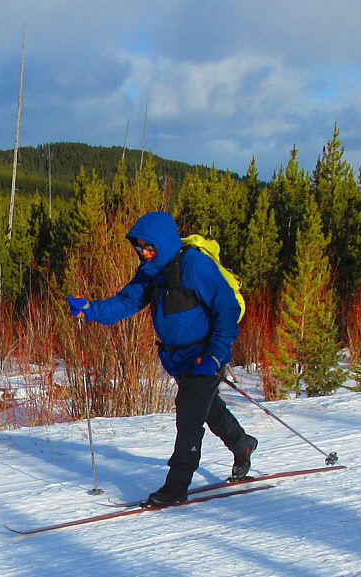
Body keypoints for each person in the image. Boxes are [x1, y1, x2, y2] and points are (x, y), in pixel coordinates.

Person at [66, 211, 257, 507]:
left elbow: (227, 307)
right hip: (178, 358)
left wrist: (216, 355)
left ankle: (177, 484)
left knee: (189, 413)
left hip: (205, 355)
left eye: (149, 246)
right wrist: (91, 309)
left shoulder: (194, 264)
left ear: (164, 242)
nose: (144, 252)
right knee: (207, 409)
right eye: (140, 247)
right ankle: (242, 445)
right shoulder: (150, 272)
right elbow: (126, 302)